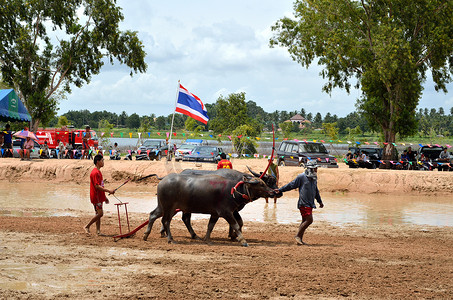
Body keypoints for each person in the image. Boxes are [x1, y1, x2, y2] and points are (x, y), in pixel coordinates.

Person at [276, 160, 324, 245]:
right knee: (309, 220)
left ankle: (300, 240)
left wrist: (319, 201)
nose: (316, 170)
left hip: (310, 203)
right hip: (304, 203)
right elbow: (291, 185)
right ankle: (297, 236)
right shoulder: (301, 177)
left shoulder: (314, 178)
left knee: (304, 220)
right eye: (315, 168)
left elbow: (316, 191)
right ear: (311, 169)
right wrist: (280, 190)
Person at [84, 154, 115, 235]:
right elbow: (97, 186)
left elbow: (101, 185)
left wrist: (104, 197)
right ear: (98, 162)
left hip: (99, 196)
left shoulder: (99, 172)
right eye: (102, 160)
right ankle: (87, 226)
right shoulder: (95, 173)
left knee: (98, 214)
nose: (103, 162)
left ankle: (98, 231)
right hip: (96, 196)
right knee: (100, 214)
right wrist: (109, 191)